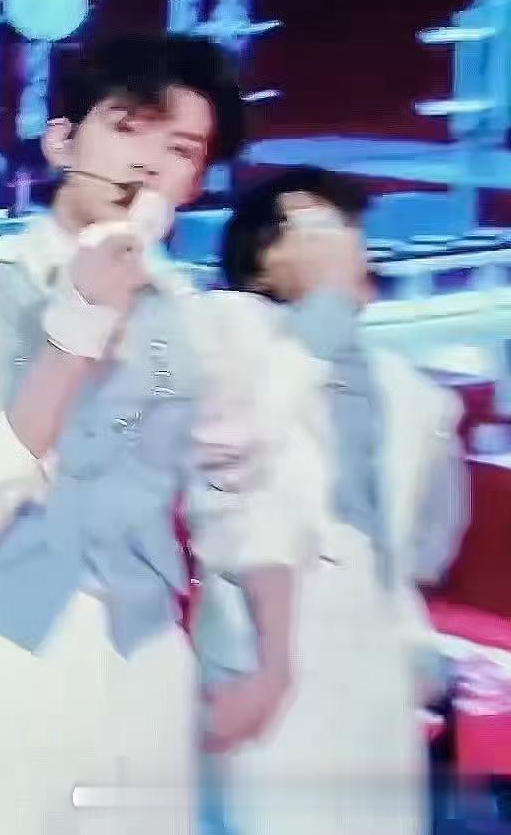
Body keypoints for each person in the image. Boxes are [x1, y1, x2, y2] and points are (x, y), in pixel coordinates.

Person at [0, 34, 301, 835]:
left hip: (146, 666)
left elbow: (240, 499)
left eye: (180, 149)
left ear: (195, 182)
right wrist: (77, 330)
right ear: (62, 141)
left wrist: (269, 660)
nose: (147, 163)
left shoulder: (197, 322)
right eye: (126, 127)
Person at [202, 166, 468, 835]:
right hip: (263, 650)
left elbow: (420, 546)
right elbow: (236, 438)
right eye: (316, 229)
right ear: (261, 264)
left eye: (346, 228)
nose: (342, 242)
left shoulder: (413, 394)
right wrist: (324, 310)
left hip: (375, 664)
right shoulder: (221, 333)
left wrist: (410, 639)